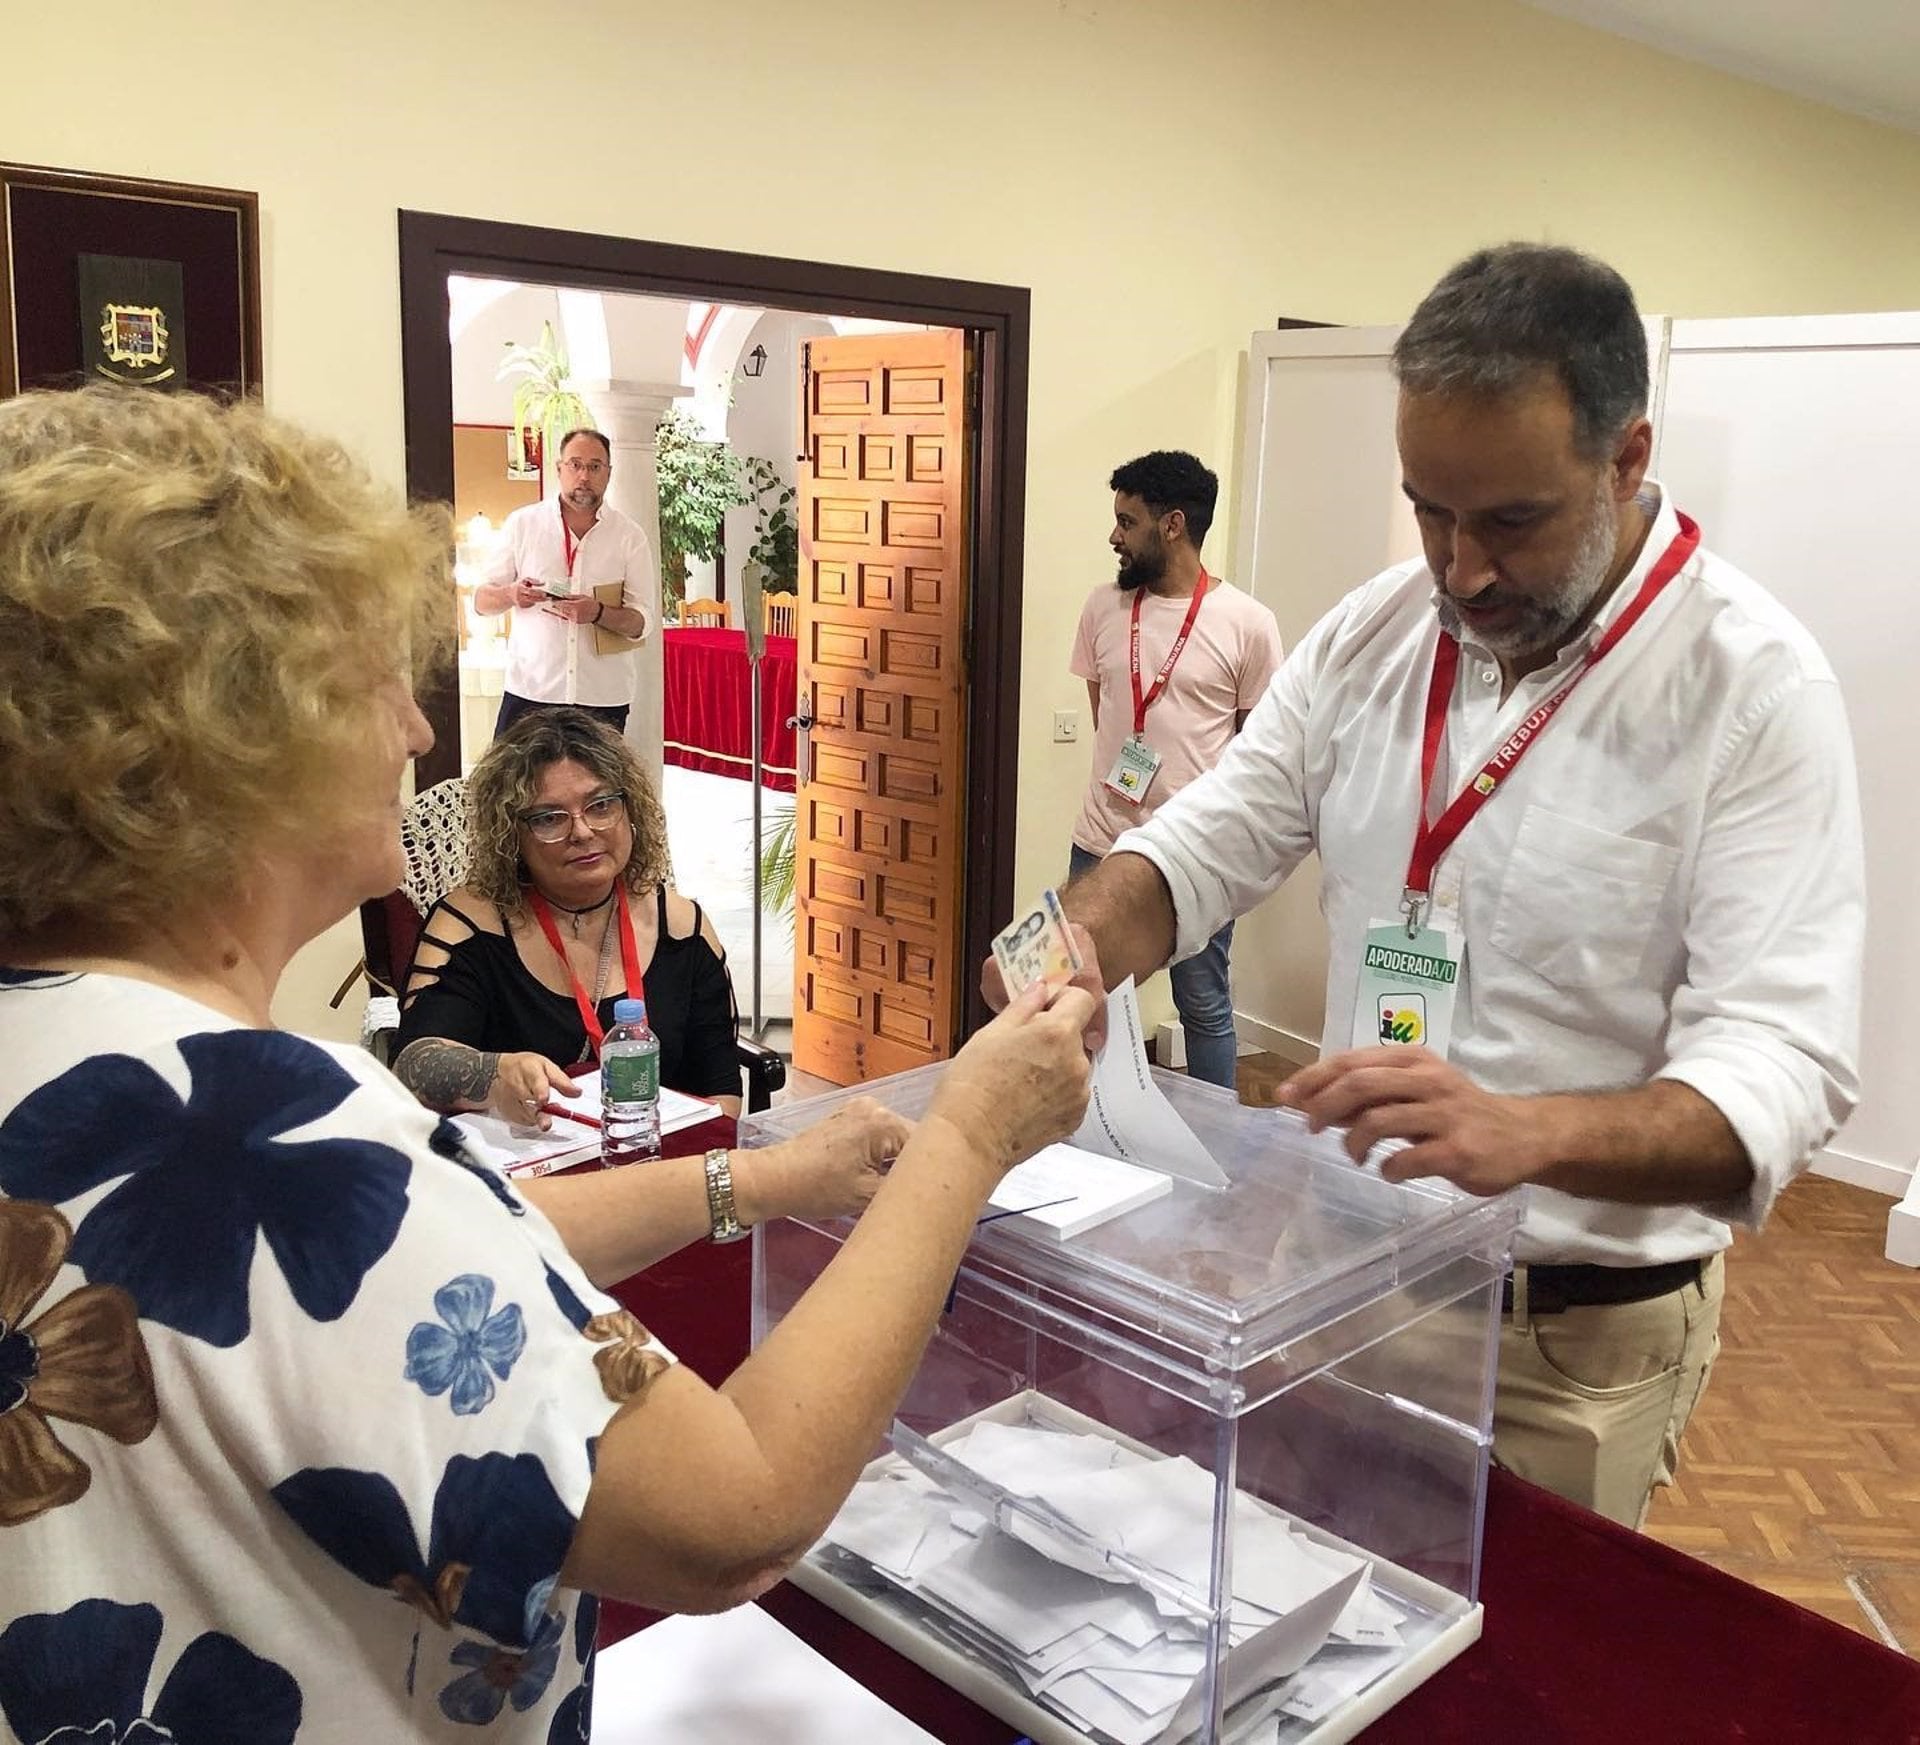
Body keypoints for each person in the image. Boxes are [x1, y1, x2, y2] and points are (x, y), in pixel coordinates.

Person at [0, 385, 1095, 1743]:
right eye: (368, 682)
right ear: (229, 734)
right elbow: (734, 1520)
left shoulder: (75, 1067)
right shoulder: (272, 1121)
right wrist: (966, 1136)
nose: (413, 732)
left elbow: (374, 1252)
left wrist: (759, 1182)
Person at [990, 243, 1863, 1530]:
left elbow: (1785, 1069)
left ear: (1627, 461)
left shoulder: (1755, 691)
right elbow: (1205, 840)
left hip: (1568, 1345)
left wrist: (1529, 1132)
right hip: (1344, 1272)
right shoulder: (1375, 632)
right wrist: (1063, 944)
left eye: (1509, 519)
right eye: (1427, 509)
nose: (1460, 568)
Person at [393, 708, 744, 1122]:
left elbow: (723, 1095)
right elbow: (414, 1066)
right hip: (522, 1171)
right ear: (511, 835)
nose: (581, 831)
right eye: (549, 818)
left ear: (630, 811)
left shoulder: (683, 928)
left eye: (600, 805)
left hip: (652, 1164)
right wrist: (494, 1072)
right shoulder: (471, 925)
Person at [1068, 451, 1284, 1089]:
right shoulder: (1102, 607)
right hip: (1099, 843)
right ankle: (1083, 1138)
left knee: (1204, 1006)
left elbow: (1256, 747)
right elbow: (1105, 711)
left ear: (1173, 526)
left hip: (1196, 854)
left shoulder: (1248, 623)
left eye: (1127, 522)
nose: (1114, 536)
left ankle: (1214, 1156)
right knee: (1077, 994)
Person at [473, 427, 655, 738]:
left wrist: (597, 613)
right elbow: (481, 602)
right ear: (559, 469)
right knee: (510, 786)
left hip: (602, 698)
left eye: (595, 467)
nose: (584, 476)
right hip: (531, 691)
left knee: (599, 788)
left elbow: (642, 622)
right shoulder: (523, 524)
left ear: (609, 473)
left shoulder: (629, 536)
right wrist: (511, 593)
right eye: (575, 464)